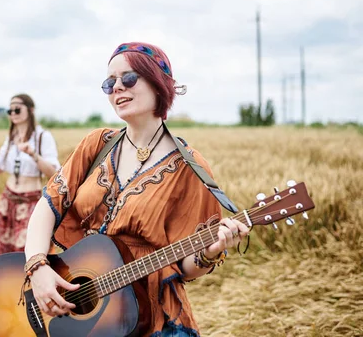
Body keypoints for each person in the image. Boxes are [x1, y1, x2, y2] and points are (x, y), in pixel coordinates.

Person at [23, 43, 250, 337]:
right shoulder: (97, 144)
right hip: (84, 311)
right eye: (109, 82)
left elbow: (187, 265)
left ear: (156, 81)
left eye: (128, 78)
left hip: (150, 317)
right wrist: (38, 268)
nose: (117, 87)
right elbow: (47, 206)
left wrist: (210, 251)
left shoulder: (189, 167)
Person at [0, 94, 60, 257]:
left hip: (31, 201)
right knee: (5, 250)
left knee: (30, 251)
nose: (13, 113)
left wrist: (33, 155)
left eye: (17, 109)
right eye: (10, 110)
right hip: (8, 199)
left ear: (30, 110)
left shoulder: (42, 136)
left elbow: (54, 173)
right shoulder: (11, 137)